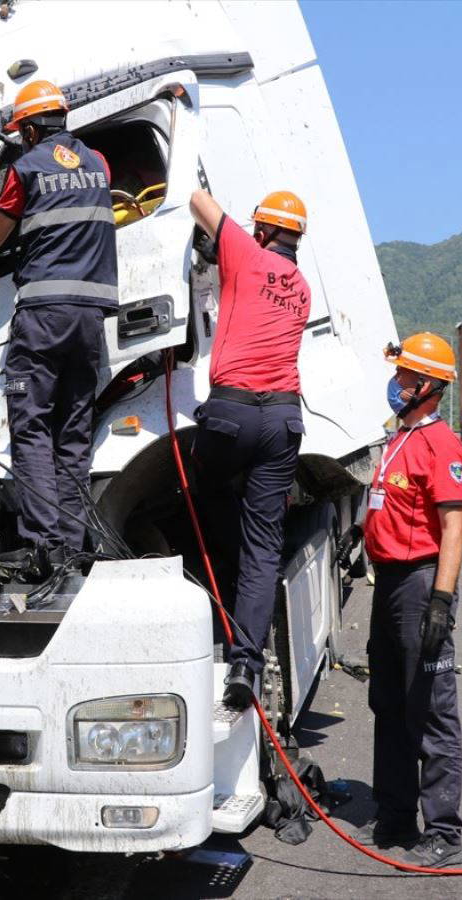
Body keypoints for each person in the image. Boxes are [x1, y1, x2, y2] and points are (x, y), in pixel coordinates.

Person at [0, 80, 117, 575]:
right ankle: (72, 546)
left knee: (31, 429)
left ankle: (44, 548)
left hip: (43, 316)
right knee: (73, 435)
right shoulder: (99, 164)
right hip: (90, 319)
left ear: (27, 130)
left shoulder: (24, 169)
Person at [187, 189, 311, 709]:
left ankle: (217, 585)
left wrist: (220, 242)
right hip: (282, 419)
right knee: (264, 547)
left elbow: (197, 200)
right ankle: (245, 665)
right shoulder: (302, 289)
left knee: (200, 485)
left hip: (231, 414)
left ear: (262, 230)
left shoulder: (244, 251)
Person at [357, 332, 462, 868]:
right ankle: (396, 814)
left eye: (404, 376)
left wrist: (441, 602)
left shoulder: (440, 445)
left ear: (427, 386)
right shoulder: (400, 437)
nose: (396, 382)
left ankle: (443, 832)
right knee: (388, 703)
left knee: (429, 710)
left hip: (421, 584)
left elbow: (453, 529)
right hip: (389, 584)